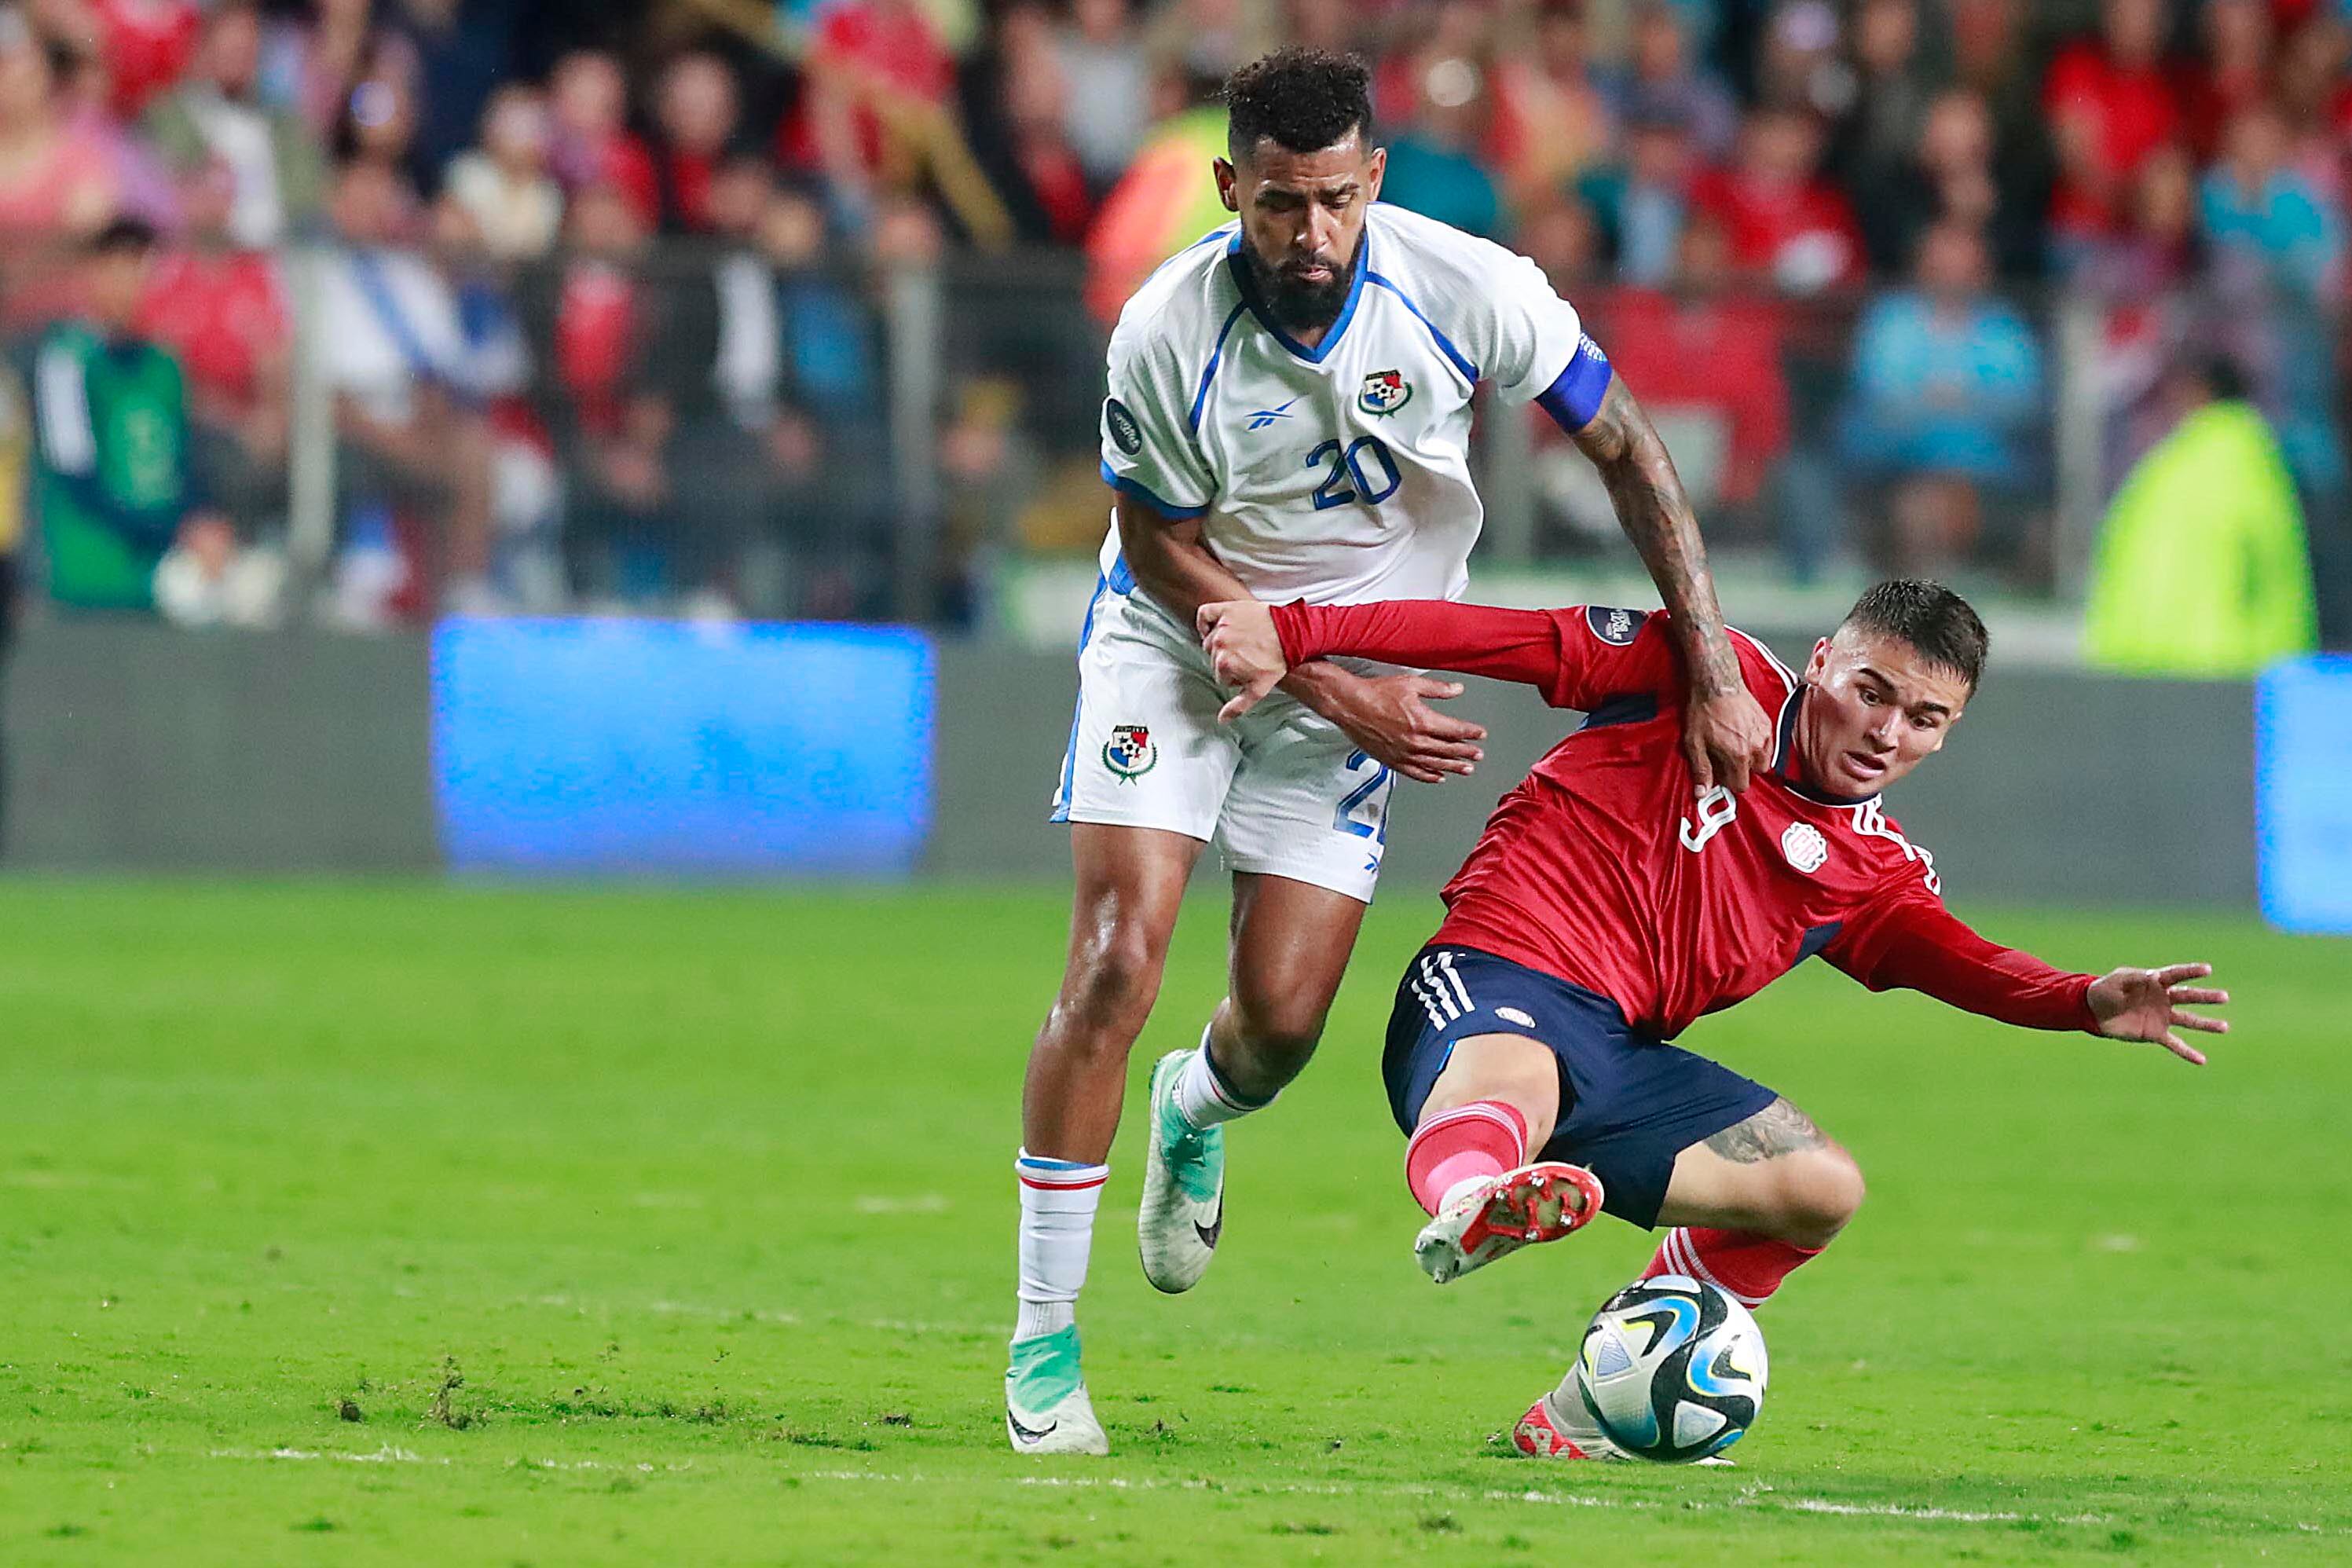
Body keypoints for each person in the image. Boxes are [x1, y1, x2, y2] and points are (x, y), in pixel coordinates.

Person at [1006, 46, 1774, 1457]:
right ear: (1230, 188)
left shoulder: (1466, 288)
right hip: (1179, 646)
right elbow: (1148, 540)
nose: (1309, 237)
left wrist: (1711, 663)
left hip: (1361, 667)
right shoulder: (1164, 326)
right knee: (1117, 956)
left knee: (1281, 1029)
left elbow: (1626, 449)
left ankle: (1196, 1104)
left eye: (1335, 202)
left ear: (1373, 182)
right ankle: (1042, 1344)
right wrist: (1276, 646)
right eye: (1279, 205)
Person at [1195, 578, 2229, 1460]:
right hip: (1494, 971)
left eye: (1924, 719)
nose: (1885, 732)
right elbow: (1496, 637)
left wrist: (2080, 999)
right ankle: (1474, 1201)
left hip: (1625, 1057)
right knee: (1514, 1083)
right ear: (1821, 663)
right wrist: (1291, 632)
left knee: (1818, 1188)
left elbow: (1962, 961)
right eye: (1869, 693)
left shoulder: (1870, 872)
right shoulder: (1703, 672)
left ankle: (1587, 1404)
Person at [31, 216, 228, 612]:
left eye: (139, 269)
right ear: (91, 273)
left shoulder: (164, 363)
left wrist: (204, 522)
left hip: (161, 581)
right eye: (117, 269)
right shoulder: (66, 361)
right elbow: (77, 477)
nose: (129, 284)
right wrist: (175, 530)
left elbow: (183, 463)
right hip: (89, 579)